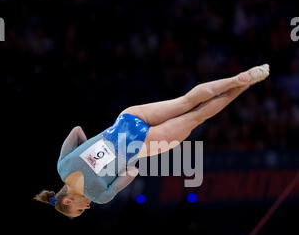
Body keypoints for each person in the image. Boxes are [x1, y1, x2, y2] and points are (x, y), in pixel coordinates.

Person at [34, 65, 269, 217]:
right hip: (124, 121)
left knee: (197, 116)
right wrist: (90, 146)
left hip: (139, 145)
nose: (85, 208)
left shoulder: (98, 196)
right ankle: (234, 79)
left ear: (67, 200)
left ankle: (245, 84)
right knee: (186, 101)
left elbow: (132, 171)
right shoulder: (62, 166)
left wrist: (114, 166)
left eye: (78, 211)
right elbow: (77, 131)